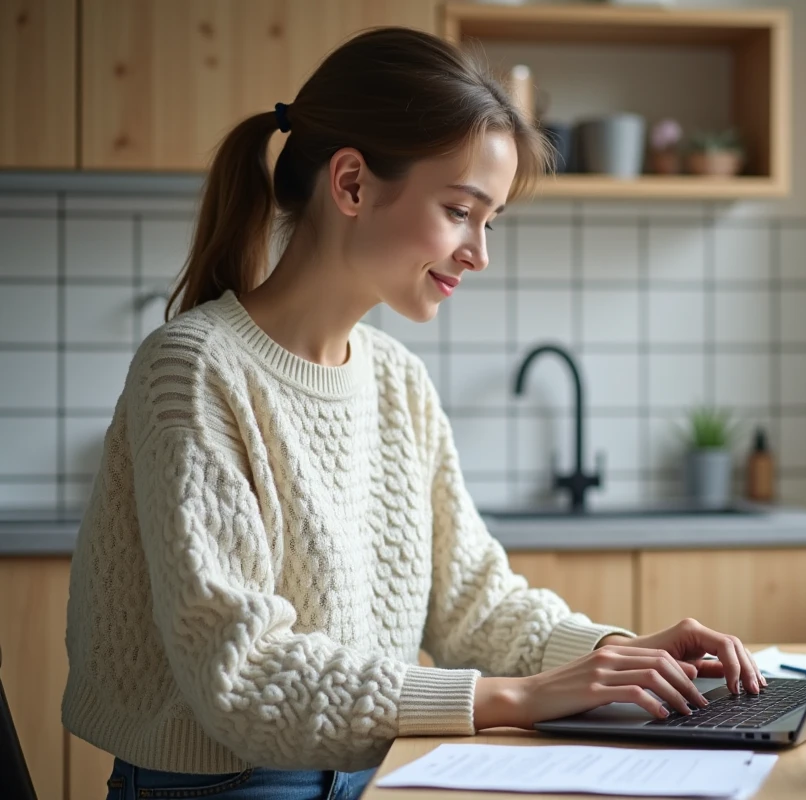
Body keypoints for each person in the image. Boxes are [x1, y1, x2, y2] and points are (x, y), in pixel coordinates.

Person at [62, 27, 766, 800]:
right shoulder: (194, 368)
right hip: (227, 784)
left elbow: (473, 602)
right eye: (461, 211)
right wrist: (516, 698)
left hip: (379, 765)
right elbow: (243, 673)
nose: (479, 253)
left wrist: (622, 656)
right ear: (353, 184)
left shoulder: (398, 381)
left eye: (489, 221)